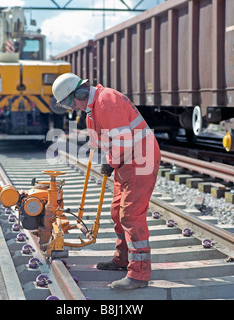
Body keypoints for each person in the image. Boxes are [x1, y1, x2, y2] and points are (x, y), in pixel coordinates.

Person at [52, 73, 161, 290]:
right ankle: (123, 259)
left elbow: (123, 140)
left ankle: (139, 274)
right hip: (127, 162)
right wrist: (107, 158)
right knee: (116, 212)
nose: (70, 108)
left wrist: (110, 163)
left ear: (78, 94)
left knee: (130, 215)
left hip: (140, 160)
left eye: (67, 103)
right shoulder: (93, 108)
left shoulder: (106, 101)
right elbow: (104, 139)